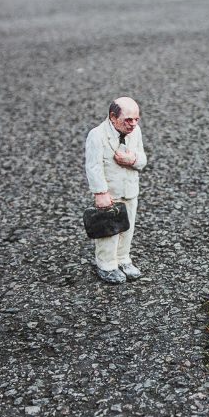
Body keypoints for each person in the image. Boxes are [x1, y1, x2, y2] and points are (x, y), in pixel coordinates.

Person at [85, 97, 147, 284]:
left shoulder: (135, 133)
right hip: (110, 193)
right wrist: (100, 192)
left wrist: (133, 159)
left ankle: (123, 258)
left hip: (129, 190)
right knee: (108, 230)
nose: (133, 124)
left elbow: (143, 159)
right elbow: (93, 167)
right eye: (128, 120)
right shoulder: (97, 135)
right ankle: (106, 264)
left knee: (127, 229)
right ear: (113, 117)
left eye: (136, 119)